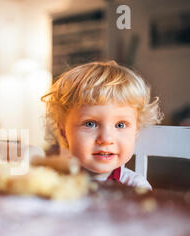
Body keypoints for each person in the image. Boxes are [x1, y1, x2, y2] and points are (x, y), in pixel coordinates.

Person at [42, 61, 164, 189]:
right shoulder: (55, 182)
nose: (106, 139)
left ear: (136, 131)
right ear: (63, 131)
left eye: (120, 125)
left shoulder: (136, 187)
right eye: (90, 124)